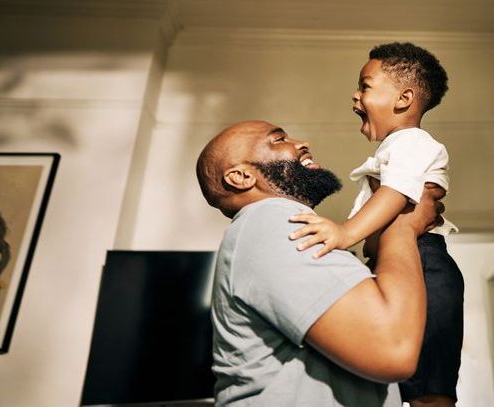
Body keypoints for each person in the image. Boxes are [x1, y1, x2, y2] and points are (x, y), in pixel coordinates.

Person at [196, 120, 446, 406]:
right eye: (278, 140)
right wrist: (403, 225)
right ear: (241, 177)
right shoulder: (271, 222)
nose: (302, 143)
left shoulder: (278, 228)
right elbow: (394, 349)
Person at [288, 43, 464, 406]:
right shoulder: (394, 149)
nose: (355, 94)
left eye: (365, 85)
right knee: (404, 384)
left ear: (403, 99)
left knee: (428, 392)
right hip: (400, 262)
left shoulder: (413, 142)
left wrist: (345, 232)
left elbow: (396, 194)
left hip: (425, 264)